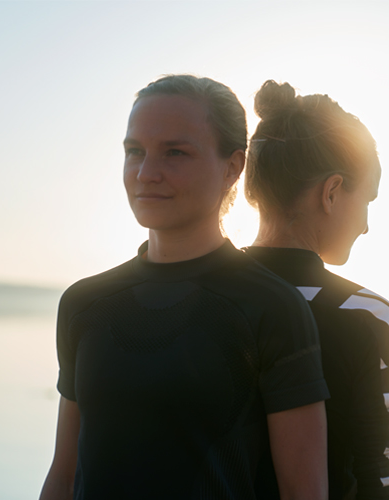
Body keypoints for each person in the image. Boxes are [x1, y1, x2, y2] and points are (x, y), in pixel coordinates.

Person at [39, 75, 331, 500]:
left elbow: (303, 493)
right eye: (134, 151)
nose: (146, 173)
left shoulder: (271, 308)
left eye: (174, 152)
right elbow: (64, 478)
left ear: (232, 166)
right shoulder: (85, 304)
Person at [243, 80, 389, 500]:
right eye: (367, 201)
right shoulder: (365, 316)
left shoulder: (203, 293)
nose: (366, 225)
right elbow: (385, 479)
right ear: (332, 192)